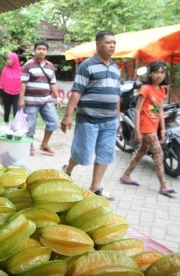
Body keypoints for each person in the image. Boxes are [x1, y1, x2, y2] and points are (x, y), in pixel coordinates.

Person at [60, 30, 120, 201]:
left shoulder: (116, 69)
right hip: (89, 119)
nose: (112, 45)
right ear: (98, 44)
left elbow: (117, 95)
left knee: (105, 154)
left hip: (109, 121)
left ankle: (95, 187)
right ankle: (68, 169)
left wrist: (118, 117)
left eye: (114, 43)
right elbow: (77, 92)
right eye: (108, 42)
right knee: (83, 154)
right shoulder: (87, 66)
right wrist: (67, 116)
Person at [119, 61, 175, 195]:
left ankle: (125, 176)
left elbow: (160, 110)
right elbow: (137, 110)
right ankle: (163, 185)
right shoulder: (145, 89)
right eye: (156, 72)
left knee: (141, 152)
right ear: (150, 74)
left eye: (162, 72)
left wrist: (162, 129)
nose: (159, 75)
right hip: (146, 126)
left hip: (154, 126)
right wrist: (137, 130)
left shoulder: (162, 90)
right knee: (158, 153)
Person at [18, 40, 63, 156]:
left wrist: (57, 97)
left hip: (46, 99)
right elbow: (23, 83)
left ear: (47, 51)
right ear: (35, 50)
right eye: (39, 49)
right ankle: (30, 145)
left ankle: (44, 144)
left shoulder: (50, 66)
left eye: (43, 49)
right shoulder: (28, 65)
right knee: (30, 124)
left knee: (53, 121)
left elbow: (53, 83)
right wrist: (21, 99)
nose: (41, 51)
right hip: (30, 100)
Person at [0, 52, 21, 125]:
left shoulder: (20, 70)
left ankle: (16, 127)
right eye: (7, 59)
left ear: (14, 60)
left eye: (9, 59)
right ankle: (6, 125)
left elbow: (23, 83)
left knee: (16, 111)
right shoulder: (5, 70)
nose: (8, 61)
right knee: (6, 110)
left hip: (17, 94)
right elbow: (1, 83)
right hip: (6, 94)